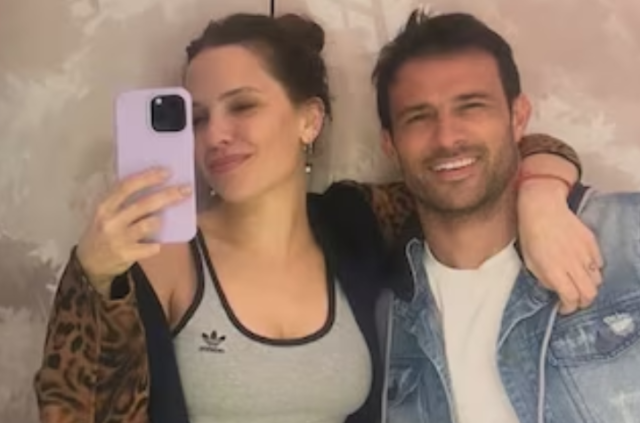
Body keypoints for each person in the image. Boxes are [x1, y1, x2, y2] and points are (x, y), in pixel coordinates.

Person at [34, 12, 599, 423]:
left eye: (243, 105)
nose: (216, 135)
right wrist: (92, 277)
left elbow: (474, 167)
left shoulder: (359, 222)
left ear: (309, 120)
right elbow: (73, 407)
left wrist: (540, 197)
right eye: (198, 117)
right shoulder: (161, 253)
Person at [375, 10, 640, 423]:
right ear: (390, 144)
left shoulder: (627, 237)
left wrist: (541, 190)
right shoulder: (383, 314)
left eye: (471, 107)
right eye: (419, 117)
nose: (447, 137)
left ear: (518, 118)